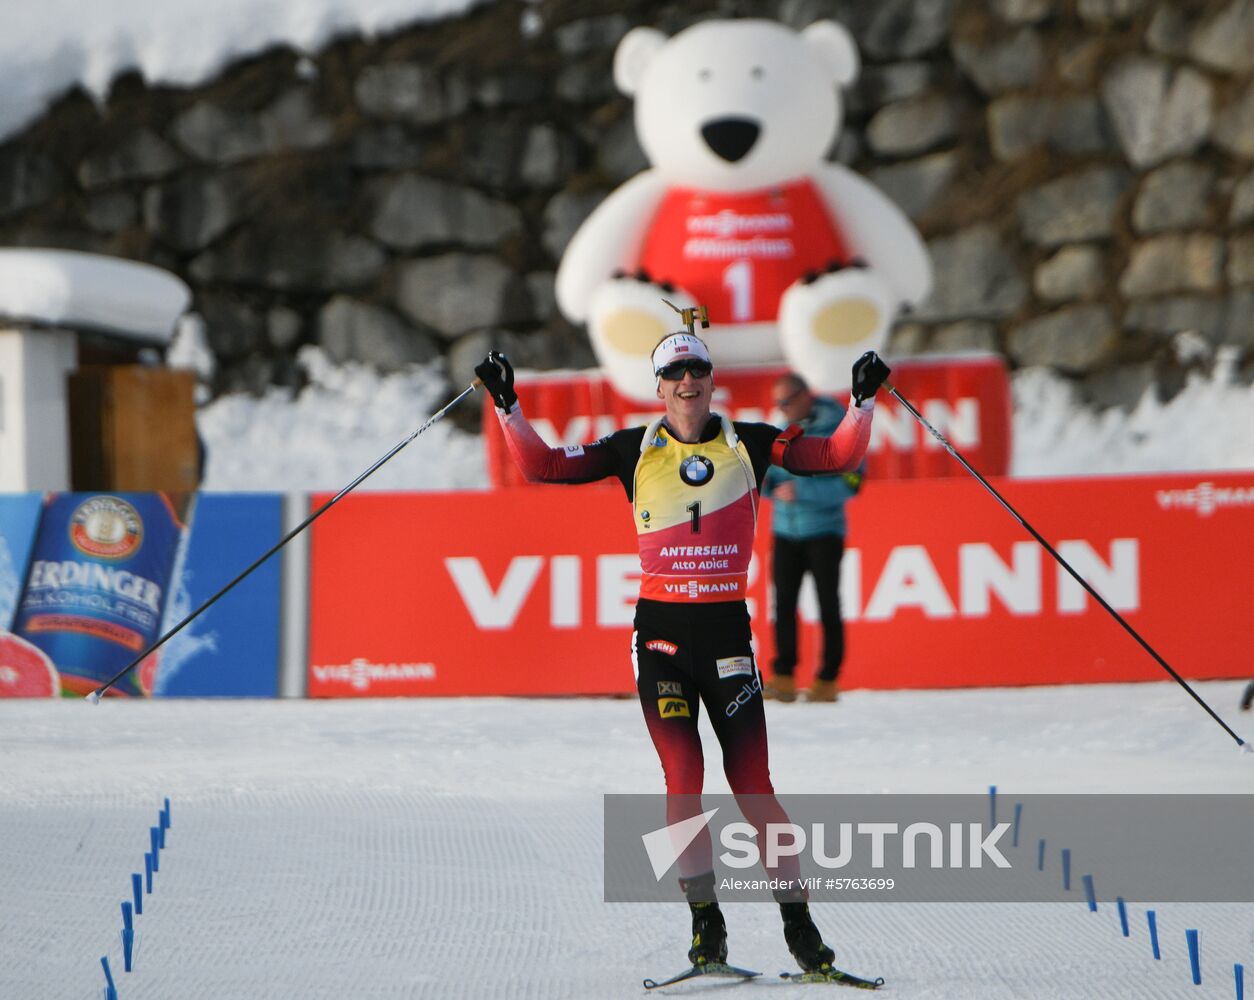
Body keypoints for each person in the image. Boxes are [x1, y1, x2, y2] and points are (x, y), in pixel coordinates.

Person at [475, 325, 890, 976]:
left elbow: (834, 457)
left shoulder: (750, 441)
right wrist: (507, 406)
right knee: (683, 779)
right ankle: (706, 929)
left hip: (726, 636)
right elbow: (544, 466)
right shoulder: (630, 450)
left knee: (753, 786)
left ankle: (802, 934)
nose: (687, 381)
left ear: (712, 379)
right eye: (674, 373)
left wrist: (862, 403)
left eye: (697, 368)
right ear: (659, 386)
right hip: (663, 639)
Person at [761, 374, 863, 704]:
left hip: (824, 531)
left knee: (827, 604)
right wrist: (765, 485)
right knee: (783, 606)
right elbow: (769, 476)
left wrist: (802, 490)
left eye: (786, 401)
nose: (782, 408)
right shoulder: (782, 431)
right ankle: (785, 676)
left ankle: (828, 679)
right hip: (785, 531)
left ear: (805, 395)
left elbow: (851, 483)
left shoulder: (839, 428)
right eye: (778, 403)